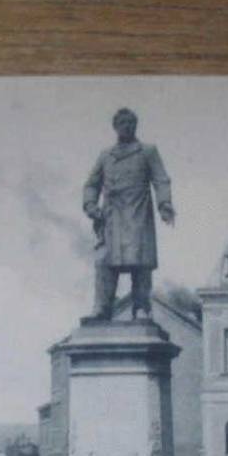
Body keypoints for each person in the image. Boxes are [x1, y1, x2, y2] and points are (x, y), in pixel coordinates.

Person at [83, 107, 175, 320]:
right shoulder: (105, 156)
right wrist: (90, 205)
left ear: (136, 125)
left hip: (138, 213)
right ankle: (102, 307)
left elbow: (161, 179)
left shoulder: (148, 151)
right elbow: (91, 184)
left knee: (139, 261)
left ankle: (141, 307)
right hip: (111, 217)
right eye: (122, 123)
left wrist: (165, 204)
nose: (127, 126)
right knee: (104, 260)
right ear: (115, 127)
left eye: (131, 123)